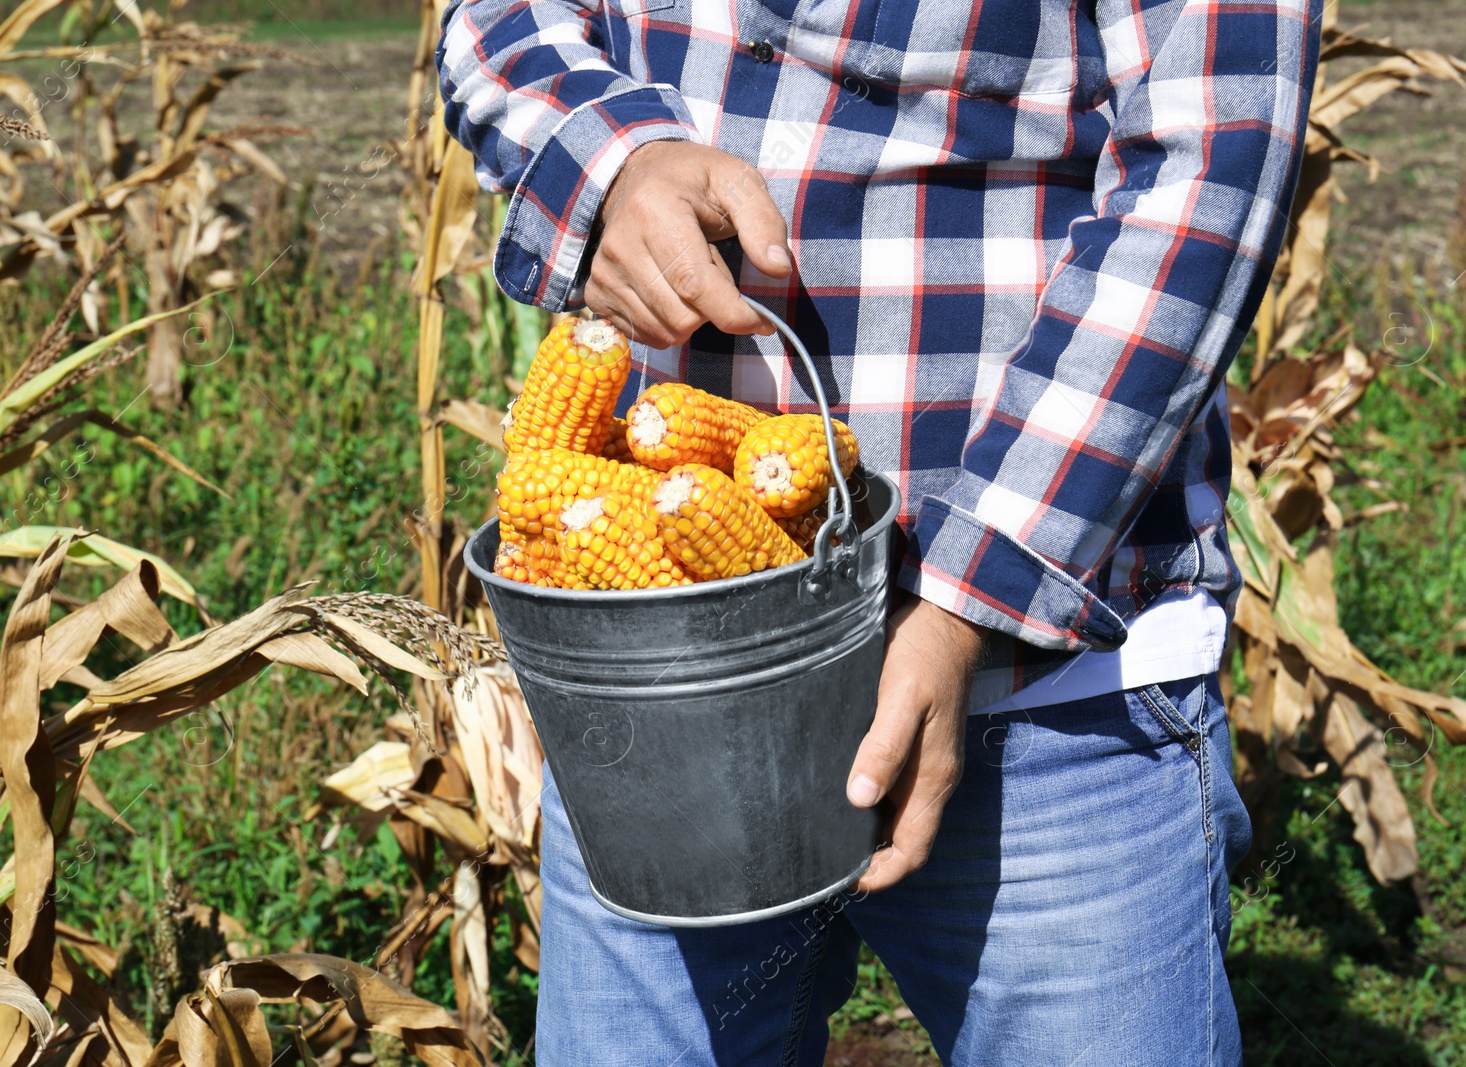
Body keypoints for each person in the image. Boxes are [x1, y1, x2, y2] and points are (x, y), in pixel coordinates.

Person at [439, 0, 1319, 1061]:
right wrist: (605, 158)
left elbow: (1209, 173)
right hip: (664, 677)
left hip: (1046, 690)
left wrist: (965, 601)